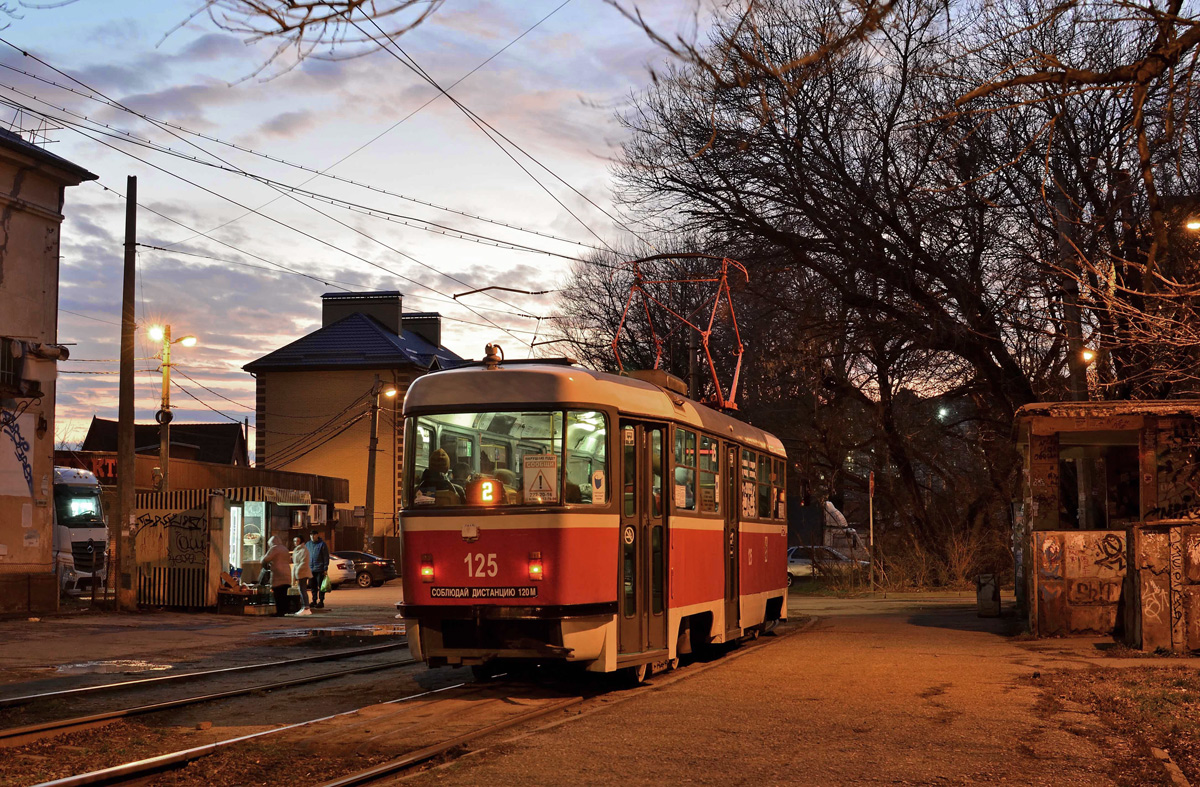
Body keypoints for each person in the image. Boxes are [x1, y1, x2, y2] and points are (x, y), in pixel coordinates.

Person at [261, 535, 293, 617]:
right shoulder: (285, 549)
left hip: (278, 574)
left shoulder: (274, 548)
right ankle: (284, 610)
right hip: (287, 573)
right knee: (284, 593)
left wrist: (263, 560)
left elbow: (266, 559)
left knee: (278, 594)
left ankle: (279, 611)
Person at [306, 530, 330, 609]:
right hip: (311, 569)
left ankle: (321, 601)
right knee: (313, 586)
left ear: (317, 535)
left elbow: (326, 557)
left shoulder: (322, 544)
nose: (312, 537)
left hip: (319, 569)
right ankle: (314, 600)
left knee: (321, 586)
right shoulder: (308, 544)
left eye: (314, 535)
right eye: (311, 535)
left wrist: (325, 568)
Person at [291, 536, 313, 616]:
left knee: (303, 590)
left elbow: (303, 562)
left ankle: (306, 607)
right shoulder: (297, 549)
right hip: (299, 571)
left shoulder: (304, 550)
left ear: (301, 541)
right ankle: (304, 607)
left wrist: (297, 572)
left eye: (297, 541)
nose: (296, 542)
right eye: (294, 541)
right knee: (301, 590)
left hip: (302, 572)